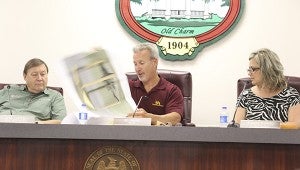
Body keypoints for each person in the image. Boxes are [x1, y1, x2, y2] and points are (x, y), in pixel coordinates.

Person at [233, 48, 300, 127]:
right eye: (249, 69)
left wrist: (268, 127)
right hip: (250, 139)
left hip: (280, 139)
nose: (249, 73)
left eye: (253, 69)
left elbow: (296, 125)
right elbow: (236, 127)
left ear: (267, 69)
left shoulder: (290, 95)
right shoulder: (246, 95)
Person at [126, 42, 184, 125]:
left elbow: (175, 118)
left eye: (141, 63)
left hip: (160, 136)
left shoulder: (171, 90)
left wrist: (148, 118)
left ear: (154, 62)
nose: (137, 68)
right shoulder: (129, 87)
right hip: (130, 135)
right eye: (135, 64)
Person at [0, 58, 66, 124]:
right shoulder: (9, 90)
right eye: (34, 75)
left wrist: (38, 124)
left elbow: (61, 121)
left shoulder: (55, 96)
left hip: (35, 131)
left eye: (43, 74)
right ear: (25, 76)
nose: (39, 78)